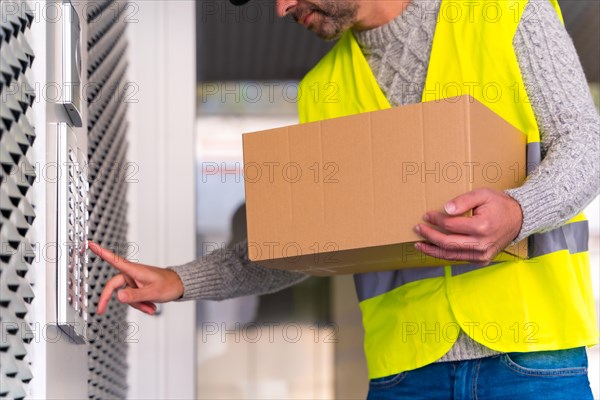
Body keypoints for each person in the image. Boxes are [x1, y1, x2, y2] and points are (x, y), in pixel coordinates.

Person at [90, 0, 600, 398]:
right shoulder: (323, 91)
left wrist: (518, 213)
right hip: (405, 375)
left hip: (533, 359)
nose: (281, 8)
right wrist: (181, 280)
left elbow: (586, 146)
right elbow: (304, 245)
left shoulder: (504, 13)